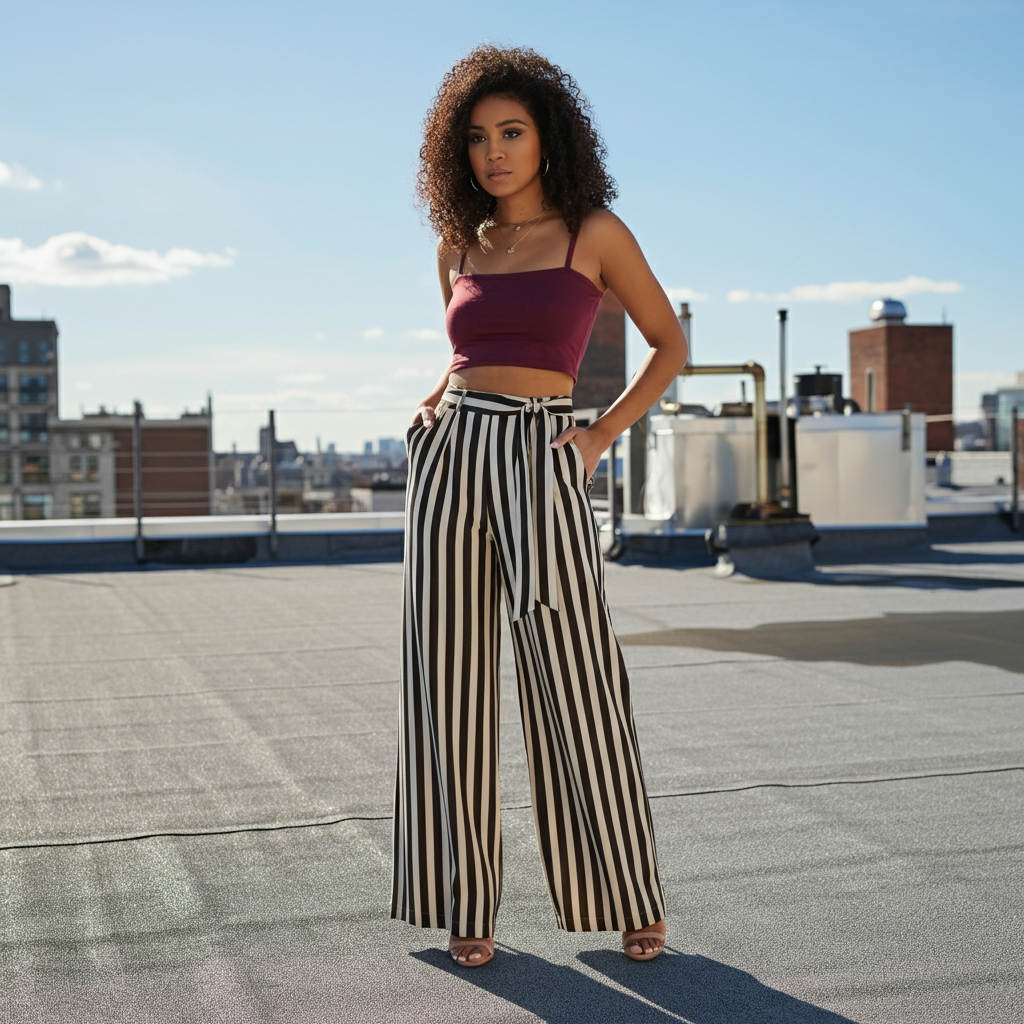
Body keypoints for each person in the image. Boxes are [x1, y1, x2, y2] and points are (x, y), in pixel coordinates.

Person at [391, 45, 687, 969]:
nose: (495, 153)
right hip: (451, 460)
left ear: (547, 137)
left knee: (573, 668)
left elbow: (669, 343)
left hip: (543, 449)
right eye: (478, 138)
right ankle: (464, 904)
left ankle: (625, 891)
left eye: (511, 133)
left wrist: (600, 435)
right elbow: (465, 346)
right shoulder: (459, 242)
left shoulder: (592, 233)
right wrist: (437, 399)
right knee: (448, 677)